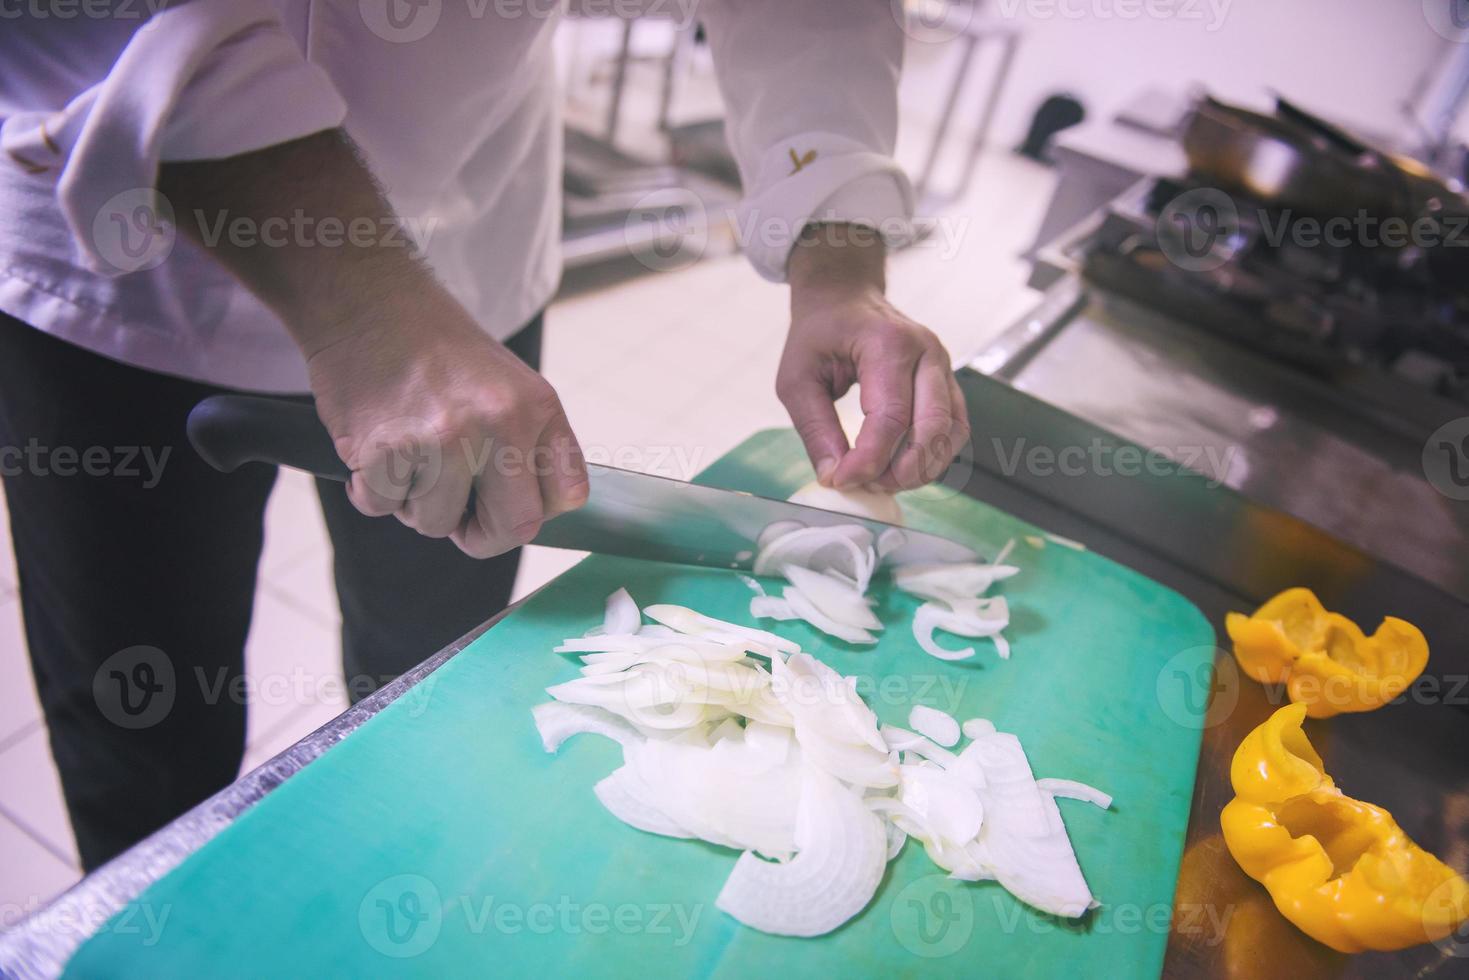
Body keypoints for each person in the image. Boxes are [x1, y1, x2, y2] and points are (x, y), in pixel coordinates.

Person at [0, 0, 970, 870]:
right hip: (119, 268)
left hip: (465, 248)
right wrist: (367, 309)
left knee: (428, 684)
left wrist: (839, 259)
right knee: (143, 725)